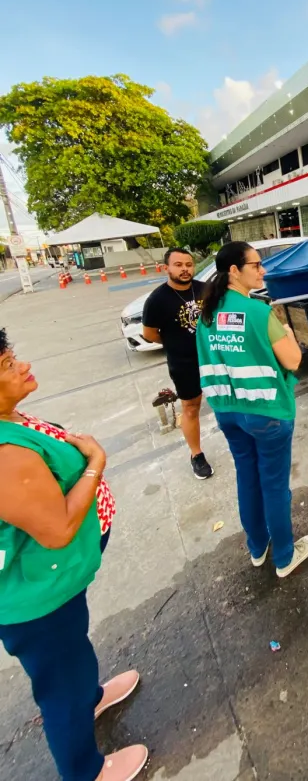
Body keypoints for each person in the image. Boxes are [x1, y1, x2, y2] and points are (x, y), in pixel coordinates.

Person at [0, 328, 148, 781]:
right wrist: (96, 461)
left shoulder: (10, 419)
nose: (23, 365)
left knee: (74, 654)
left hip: (58, 585)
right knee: (59, 687)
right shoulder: (6, 456)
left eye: (13, 356)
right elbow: (59, 528)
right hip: (37, 600)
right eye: (7, 366)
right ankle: (85, 770)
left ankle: (91, 698)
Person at [196, 242, 308, 578]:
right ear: (234, 270)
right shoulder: (258, 313)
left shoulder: (207, 314)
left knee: (247, 479)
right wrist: (290, 334)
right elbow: (292, 360)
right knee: (275, 486)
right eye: (256, 265)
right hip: (266, 413)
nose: (263, 271)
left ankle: (257, 548)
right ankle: (284, 558)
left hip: (227, 412)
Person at [142, 247, 212, 480]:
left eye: (189, 264)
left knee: (226, 399)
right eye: (179, 265)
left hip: (212, 358)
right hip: (183, 363)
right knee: (191, 408)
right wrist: (175, 342)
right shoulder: (157, 300)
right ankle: (196, 455)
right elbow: (150, 334)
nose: (185, 269)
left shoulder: (205, 289)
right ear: (167, 268)